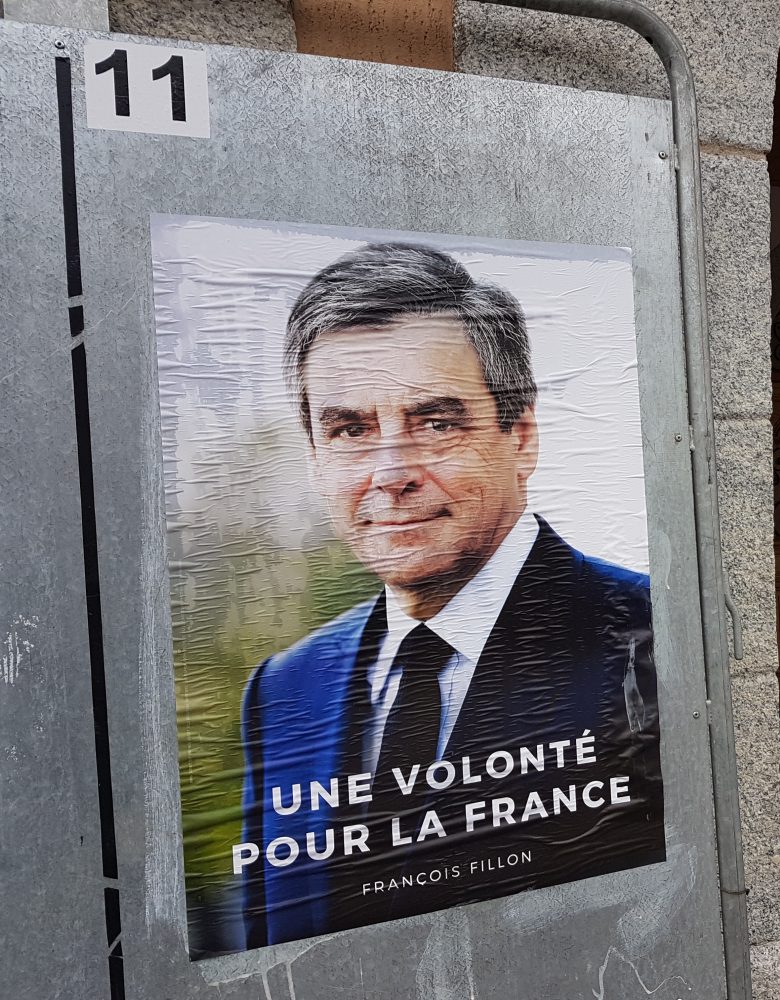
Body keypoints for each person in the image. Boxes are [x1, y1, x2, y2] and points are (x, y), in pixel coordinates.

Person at [238, 243, 664, 948]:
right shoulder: (286, 688)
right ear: (314, 457)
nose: (390, 473)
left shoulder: (649, 638)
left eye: (436, 423)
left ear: (520, 437)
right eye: (349, 430)